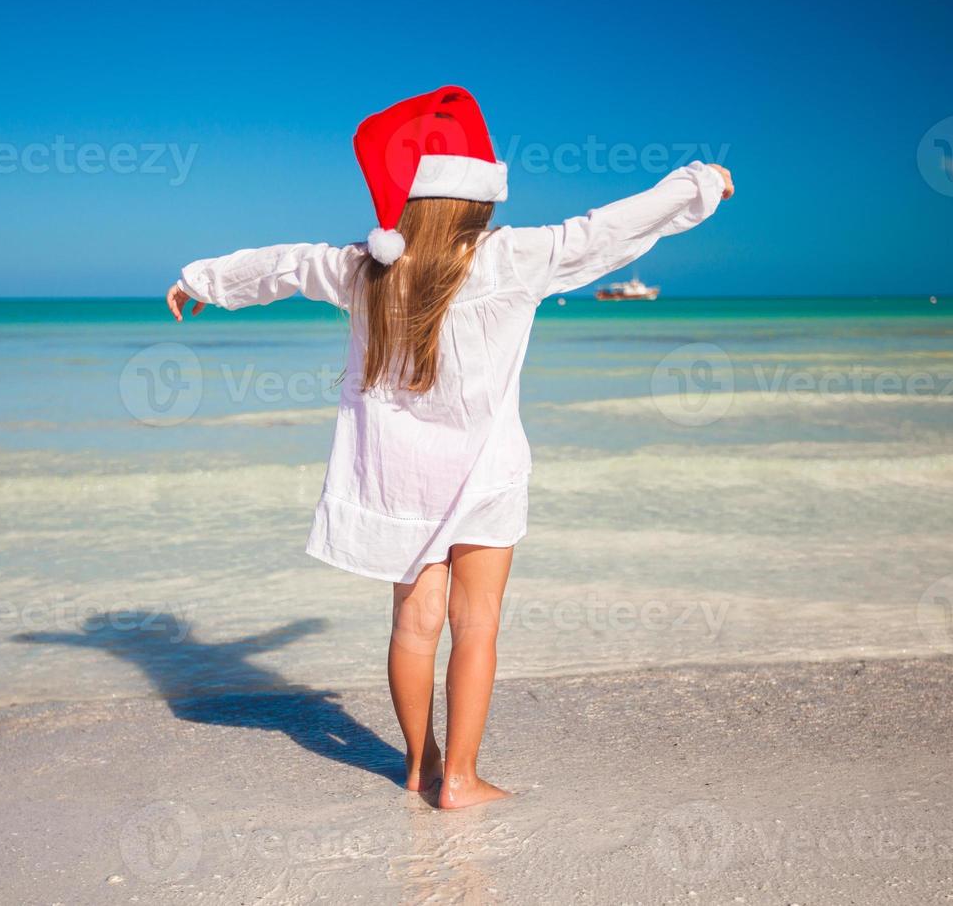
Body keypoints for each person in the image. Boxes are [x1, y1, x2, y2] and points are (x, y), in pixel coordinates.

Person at [167, 86, 733, 808]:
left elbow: (282, 266)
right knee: (478, 626)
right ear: (479, 194)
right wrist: (702, 182)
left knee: (414, 624)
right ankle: (460, 780)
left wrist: (199, 281)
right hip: (486, 475)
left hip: (400, 479)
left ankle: (418, 765)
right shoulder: (517, 258)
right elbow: (611, 228)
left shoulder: (364, 268)